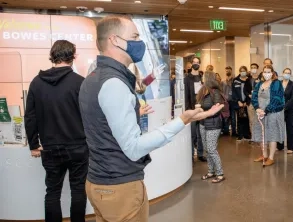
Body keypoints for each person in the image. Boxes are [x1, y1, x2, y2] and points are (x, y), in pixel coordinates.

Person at [78, 15, 223, 222]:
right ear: (115, 40)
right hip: (119, 188)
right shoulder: (113, 84)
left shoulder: (93, 79)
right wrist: (181, 120)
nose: (139, 42)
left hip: (100, 182)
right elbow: (134, 147)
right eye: (135, 36)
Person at [25, 40, 88, 222]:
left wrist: (34, 144)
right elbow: (89, 116)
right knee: (78, 189)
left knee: (52, 192)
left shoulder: (36, 83)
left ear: (53, 56)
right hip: (78, 147)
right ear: (73, 56)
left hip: (50, 148)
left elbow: (30, 117)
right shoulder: (80, 83)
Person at [252, 65, 285, 166]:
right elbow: (254, 96)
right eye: (265, 72)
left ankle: (271, 157)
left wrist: (266, 110)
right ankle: (264, 155)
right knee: (262, 134)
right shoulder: (259, 84)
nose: (267, 74)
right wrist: (257, 107)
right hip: (260, 113)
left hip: (273, 113)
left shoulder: (276, 83)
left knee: (272, 134)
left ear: (272, 72)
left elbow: (277, 98)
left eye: (268, 72)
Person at [197, 71, 226, 183]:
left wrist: (205, 112)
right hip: (203, 123)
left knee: (211, 149)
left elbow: (218, 109)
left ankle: (220, 173)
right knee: (207, 149)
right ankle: (211, 171)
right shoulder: (203, 91)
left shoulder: (215, 92)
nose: (202, 78)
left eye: (204, 77)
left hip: (213, 124)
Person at [184, 57, 207, 162]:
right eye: (194, 62)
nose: (196, 64)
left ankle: (200, 154)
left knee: (201, 134)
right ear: (191, 64)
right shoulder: (187, 78)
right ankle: (190, 155)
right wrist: (188, 110)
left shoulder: (202, 77)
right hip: (192, 109)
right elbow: (186, 95)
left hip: (201, 108)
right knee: (192, 134)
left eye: (198, 63)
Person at [277, 68, 293, 153]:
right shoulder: (278, 83)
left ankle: (291, 147)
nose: (287, 74)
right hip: (279, 109)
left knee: (290, 127)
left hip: (290, 109)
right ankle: (280, 146)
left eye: (289, 73)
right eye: (285, 72)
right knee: (280, 127)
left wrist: (285, 107)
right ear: (282, 73)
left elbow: (292, 98)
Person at [232, 66, 252, 141]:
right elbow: (234, 92)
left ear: (246, 71)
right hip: (239, 102)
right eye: (241, 71)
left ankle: (247, 135)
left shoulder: (248, 80)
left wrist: (247, 102)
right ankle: (240, 135)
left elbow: (249, 91)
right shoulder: (236, 80)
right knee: (240, 118)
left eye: (244, 70)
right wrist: (238, 101)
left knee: (247, 119)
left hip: (247, 102)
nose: (243, 72)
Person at [247, 63, 260, 139]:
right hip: (250, 102)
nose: (253, 69)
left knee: (258, 120)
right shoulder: (248, 79)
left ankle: (259, 137)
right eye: (252, 67)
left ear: (257, 68)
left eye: (255, 67)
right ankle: (253, 137)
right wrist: (248, 95)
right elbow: (245, 90)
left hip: (259, 102)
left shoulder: (261, 78)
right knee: (251, 120)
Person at [222, 66, 236, 136]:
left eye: (229, 70)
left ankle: (234, 132)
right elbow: (222, 91)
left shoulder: (234, 80)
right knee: (226, 117)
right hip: (226, 102)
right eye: (226, 70)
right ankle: (226, 131)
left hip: (233, 101)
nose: (227, 71)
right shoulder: (223, 81)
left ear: (231, 71)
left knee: (233, 117)